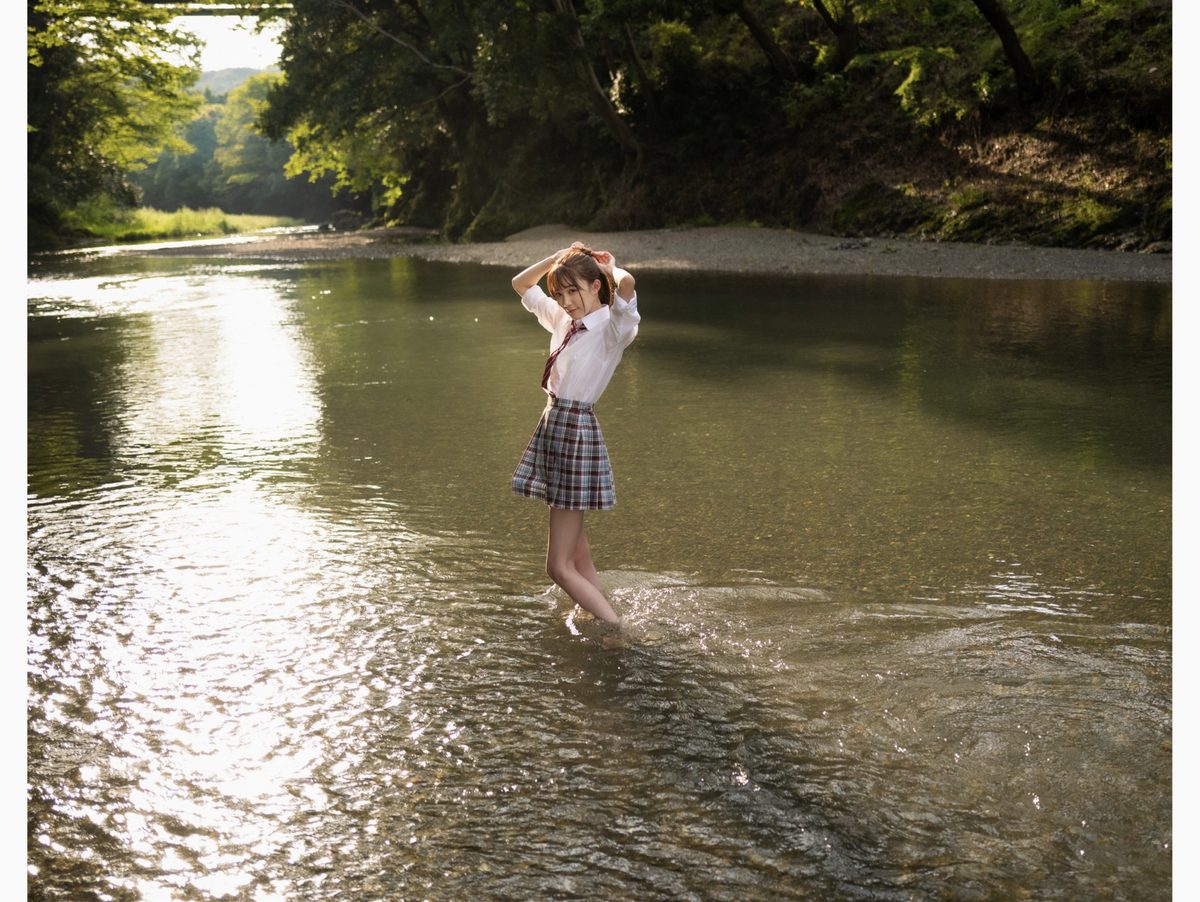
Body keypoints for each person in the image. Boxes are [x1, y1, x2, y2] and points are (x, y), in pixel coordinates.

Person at [511, 241, 640, 626]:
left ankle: (615, 628)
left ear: (596, 286)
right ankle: (596, 609)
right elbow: (520, 283)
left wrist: (608, 266)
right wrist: (559, 258)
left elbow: (629, 283)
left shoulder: (613, 329)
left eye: (575, 290)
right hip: (555, 426)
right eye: (561, 293)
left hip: (575, 432)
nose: (566, 301)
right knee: (578, 556)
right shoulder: (564, 320)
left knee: (557, 567)